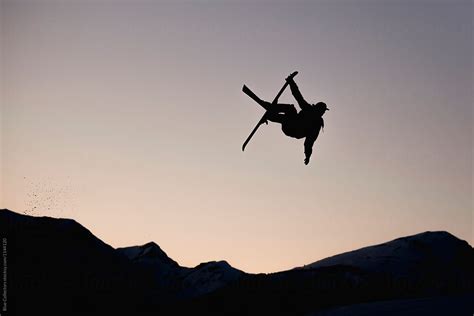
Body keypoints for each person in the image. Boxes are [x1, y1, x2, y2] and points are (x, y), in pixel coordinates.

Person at [256, 74, 329, 165]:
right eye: (322, 111)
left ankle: (271, 112)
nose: (322, 113)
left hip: (293, 130)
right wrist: (291, 82)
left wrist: (307, 155)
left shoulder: (316, 123)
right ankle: (271, 111)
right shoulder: (309, 110)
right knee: (290, 110)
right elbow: (298, 97)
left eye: (323, 112)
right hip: (291, 126)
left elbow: (309, 142)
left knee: (289, 113)